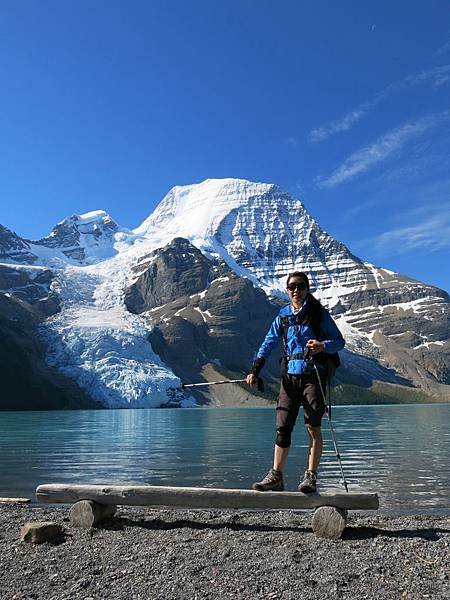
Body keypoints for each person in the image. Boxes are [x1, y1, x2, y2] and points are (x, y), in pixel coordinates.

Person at [246, 271, 345, 493]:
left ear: (307, 288)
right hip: (289, 377)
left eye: (300, 286)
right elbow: (268, 343)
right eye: (292, 287)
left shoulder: (319, 314)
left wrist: (322, 346)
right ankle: (276, 476)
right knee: (282, 428)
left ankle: (310, 476)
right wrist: (255, 370)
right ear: (287, 290)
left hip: (313, 375)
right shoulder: (282, 317)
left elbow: (340, 342)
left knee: (313, 427)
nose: (296, 290)